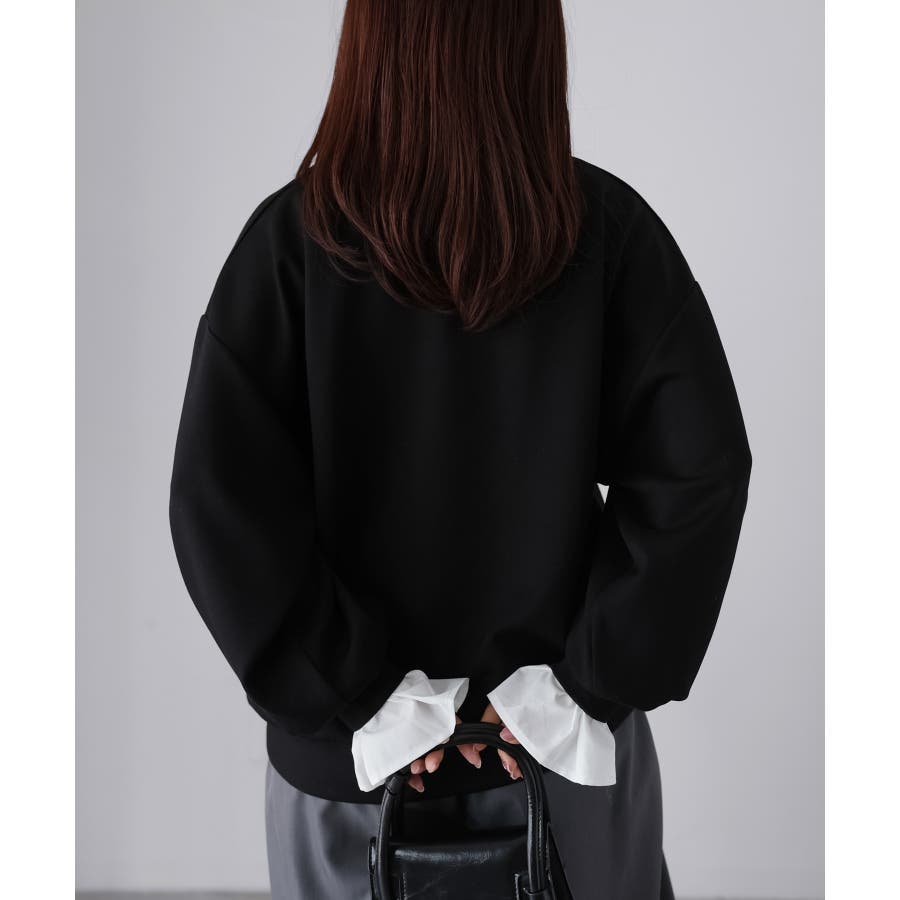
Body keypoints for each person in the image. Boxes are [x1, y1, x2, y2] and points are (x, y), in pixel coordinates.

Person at [168, 1, 752, 897]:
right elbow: (697, 474)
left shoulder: (288, 245)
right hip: (555, 767)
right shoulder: (608, 230)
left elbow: (220, 506)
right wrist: (580, 690)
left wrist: (358, 695)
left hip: (351, 781)